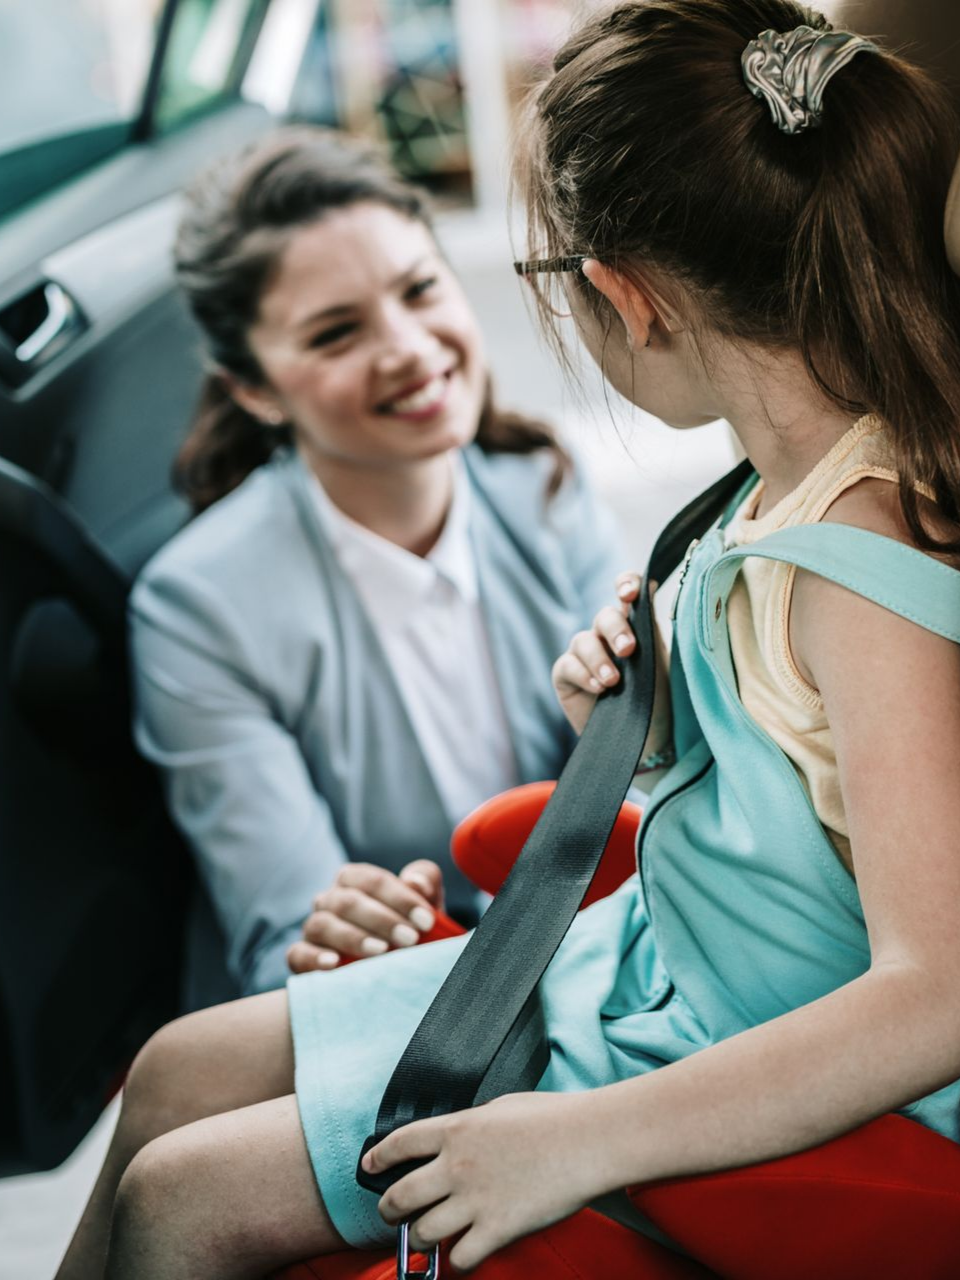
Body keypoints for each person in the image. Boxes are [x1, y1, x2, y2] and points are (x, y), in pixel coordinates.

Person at [56, 4, 960, 1277]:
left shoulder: (854, 562)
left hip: (712, 1027)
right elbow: (791, 777)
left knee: (178, 1199)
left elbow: (939, 988)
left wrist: (574, 1140)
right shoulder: (760, 493)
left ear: (624, 298)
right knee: (172, 1068)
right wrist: (648, 703)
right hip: (653, 954)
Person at [128, 127, 625, 1006]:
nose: (405, 347)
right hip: (389, 1003)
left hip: (593, 955)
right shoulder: (198, 606)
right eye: (334, 333)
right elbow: (286, 934)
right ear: (255, 390)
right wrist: (343, 935)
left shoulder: (543, 487)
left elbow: (639, 774)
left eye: (419, 289)